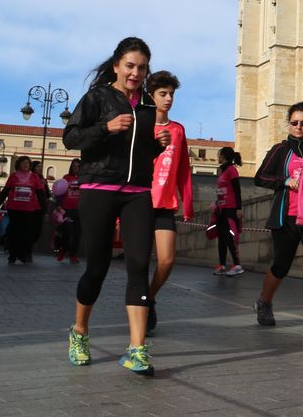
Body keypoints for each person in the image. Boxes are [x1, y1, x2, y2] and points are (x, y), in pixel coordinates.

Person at [62, 36, 166, 376]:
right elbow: (71, 138)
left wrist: (158, 145)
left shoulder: (149, 107)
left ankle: (137, 349)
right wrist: (105, 127)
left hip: (137, 191)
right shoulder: (97, 97)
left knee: (138, 265)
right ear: (117, 65)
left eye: (142, 68)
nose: (136, 73)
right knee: (98, 267)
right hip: (98, 187)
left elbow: (142, 155)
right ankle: (79, 331)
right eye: (130, 66)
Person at [253, 104, 303, 335]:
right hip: (286, 217)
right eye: (295, 122)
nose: (299, 127)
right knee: (281, 265)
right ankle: (264, 302)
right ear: (288, 124)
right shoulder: (280, 150)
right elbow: (260, 177)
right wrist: (284, 181)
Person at [146, 70, 194, 332]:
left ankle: (150, 296)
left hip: (165, 205)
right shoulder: (141, 126)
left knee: (166, 261)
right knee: (139, 262)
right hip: (139, 203)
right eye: (163, 94)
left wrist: (188, 204)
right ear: (151, 96)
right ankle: (141, 306)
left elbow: (184, 170)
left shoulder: (178, 130)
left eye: (171, 94)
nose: (168, 99)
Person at [0, 156, 47, 264]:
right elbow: (5, 191)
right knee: (14, 232)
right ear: (18, 164)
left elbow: (40, 194)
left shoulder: (34, 177)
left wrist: (44, 209)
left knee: (27, 233)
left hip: (29, 209)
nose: (25, 165)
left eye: (27, 163)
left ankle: (24, 254)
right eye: (23, 163)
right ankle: (13, 255)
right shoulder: (13, 176)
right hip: (14, 208)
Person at [213, 146, 244, 276]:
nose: (217, 157)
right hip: (221, 209)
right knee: (222, 238)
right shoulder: (222, 170)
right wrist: (216, 204)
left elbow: (237, 190)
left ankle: (237, 265)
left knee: (230, 237)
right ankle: (222, 265)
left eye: (219, 154)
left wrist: (239, 208)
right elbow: (221, 190)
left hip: (231, 209)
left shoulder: (232, 170)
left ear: (224, 156)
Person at [57, 159, 83, 263]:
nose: (76, 168)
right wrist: (59, 206)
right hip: (67, 209)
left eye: (78, 166)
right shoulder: (66, 178)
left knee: (77, 233)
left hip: (80, 210)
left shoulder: (84, 178)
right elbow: (59, 192)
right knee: (67, 232)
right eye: (74, 166)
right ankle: (63, 250)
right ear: (71, 167)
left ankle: (73, 255)